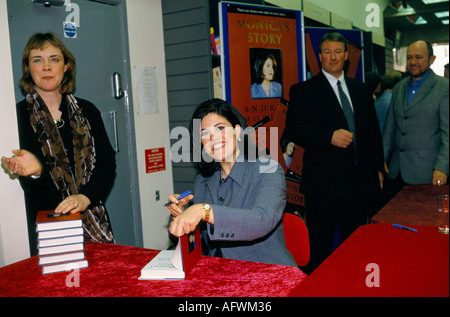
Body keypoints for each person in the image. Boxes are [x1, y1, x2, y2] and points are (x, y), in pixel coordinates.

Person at [1, 33, 116, 255]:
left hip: (93, 223)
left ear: (66, 67)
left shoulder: (88, 110)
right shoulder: (16, 117)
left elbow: (107, 164)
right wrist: (36, 172)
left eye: (54, 59)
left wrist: (85, 197)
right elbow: (31, 188)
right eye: (37, 60)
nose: (46, 67)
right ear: (28, 68)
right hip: (47, 231)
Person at [284, 32, 384, 274]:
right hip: (323, 187)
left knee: (357, 247)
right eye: (327, 52)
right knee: (319, 249)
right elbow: (295, 130)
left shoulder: (361, 90)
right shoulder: (304, 90)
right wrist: (328, 136)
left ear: (347, 56)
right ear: (319, 56)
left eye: (338, 52)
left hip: (359, 186)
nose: (332, 57)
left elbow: (372, 133)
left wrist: (378, 168)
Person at [166, 98, 297, 267]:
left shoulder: (268, 170)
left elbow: (261, 220)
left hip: (269, 273)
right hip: (221, 274)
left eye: (220, 128)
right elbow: (201, 243)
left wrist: (203, 211)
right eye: (204, 133)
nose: (213, 138)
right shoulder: (203, 181)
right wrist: (181, 216)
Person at [382, 40, 449, 197]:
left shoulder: (444, 88)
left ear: (432, 59)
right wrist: (382, 160)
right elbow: (389, 129)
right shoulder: (399, 87)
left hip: (427, 173)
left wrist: (442, 167)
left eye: (418, 57)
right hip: (395, 172)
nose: (413, 62)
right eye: (409, 57)